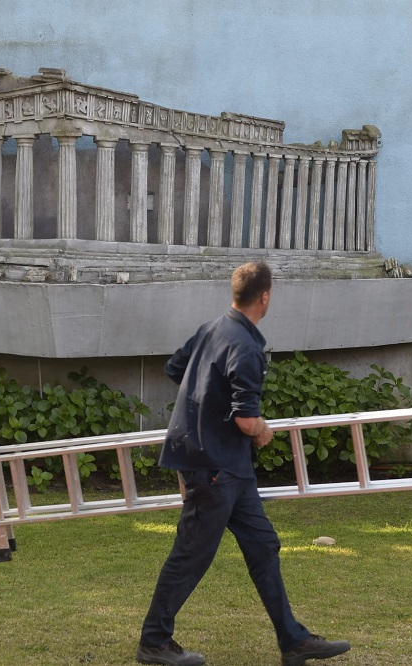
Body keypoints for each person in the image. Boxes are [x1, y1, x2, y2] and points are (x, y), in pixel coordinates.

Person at [136, 261, 351, 666]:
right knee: (192, 553)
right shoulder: (247, 346)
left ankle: (293, 640)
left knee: (263, 546)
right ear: (265, 296)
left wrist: (206, 404)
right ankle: (153, 642)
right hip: (214, 467)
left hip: (229, 467)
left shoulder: (212, 328)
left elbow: (175, 369)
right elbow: (246, 419)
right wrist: (262, 431)